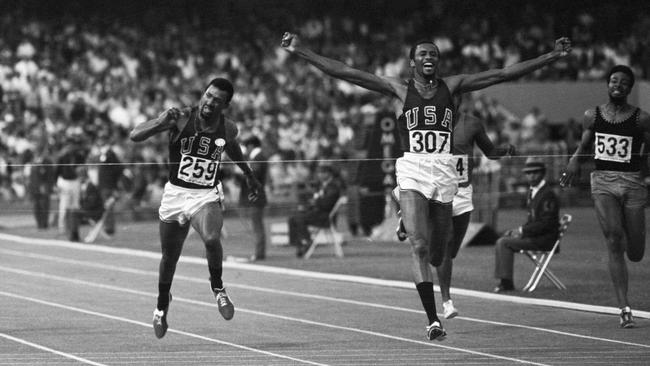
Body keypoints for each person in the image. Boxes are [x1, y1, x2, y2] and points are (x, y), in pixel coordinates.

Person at [281, 31, 571, 340]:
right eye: (423, 54)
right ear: (412, 62)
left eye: (433, 54)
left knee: (437, 254)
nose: (429, 58)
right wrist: (303, 51)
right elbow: (347, 72)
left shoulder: (454, 86)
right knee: (418, 246)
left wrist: (550, 57)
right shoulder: (399, 89)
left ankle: (410, 220)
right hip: (414, 168)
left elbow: (500, 74)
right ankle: (433, 319)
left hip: (445, 173)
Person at [129, 77, 261, 339]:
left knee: (212, 237)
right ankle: (161, 307)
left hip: (205, 195)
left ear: (225, 105)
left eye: (217, 100)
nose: (210, 102)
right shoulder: (179, 118)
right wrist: (159, 121)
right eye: (208, 95)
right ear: (203, 94)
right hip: (176, 194)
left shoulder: (227, 127)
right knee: (169, 258)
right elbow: (135, 135)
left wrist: (249, 174)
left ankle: (219, 289)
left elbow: (232, 148)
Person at [396, 109, 515, 318]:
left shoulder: (472, 124)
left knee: (446, 253)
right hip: (437, 187)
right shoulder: (428, 120)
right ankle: (446, 300)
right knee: (445, 242)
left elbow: (490, 152)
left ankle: (406, 219)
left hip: (462, 192)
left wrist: (503, 150)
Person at [560, 65, 650, 328]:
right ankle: (624, 307)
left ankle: (628, 247)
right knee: (613, 238)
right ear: (607, 84)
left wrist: (644, 169)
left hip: (632, 183)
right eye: (613, 80)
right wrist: (575, 161)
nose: (617, 85)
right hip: (603, 182)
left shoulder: (641, 119)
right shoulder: (593, 115)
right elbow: (585, 142)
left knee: (635, 253)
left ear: (630, 88)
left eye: (623, 82)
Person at [494, 158, 559, 292]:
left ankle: (506, 283)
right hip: (535, 236)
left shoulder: (548, 194)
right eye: (528, 173)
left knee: (503, 243)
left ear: (542, 173)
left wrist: (522, 231)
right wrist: (518, 231)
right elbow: (534, 221)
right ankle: (505, 281)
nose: (531, 176)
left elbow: (546, 223)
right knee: (503, 240)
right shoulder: (533, 192)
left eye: (535, 173)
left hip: (544, 239)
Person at [288, 162, 342, 258]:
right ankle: (300, 244)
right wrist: (308, 206)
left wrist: (315, 202)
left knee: (299, 218)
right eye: (319, 172)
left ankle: (306, 242)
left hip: (326, 216)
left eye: (322, 172)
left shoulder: (333, 186)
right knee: (292, 218)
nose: (320, 175)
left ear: (329, 173)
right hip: (317, 213)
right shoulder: (321, 185)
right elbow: (317, 200)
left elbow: (326, 204)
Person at [237, 134, 269, 261]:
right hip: (255, 195)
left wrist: (238, 174)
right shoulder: (256, 156)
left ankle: (259, 253)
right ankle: (259, 252)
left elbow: (254, 174)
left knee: (257, 226)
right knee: (256, 225)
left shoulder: (258, 157)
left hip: (256, 196)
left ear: (251, 145)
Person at [55, 134, 88, 239]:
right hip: (65, 182)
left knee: (75, 206)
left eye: (73, 144)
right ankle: (62, 228)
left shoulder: (79, 156)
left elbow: (83, 170)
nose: (71, 146)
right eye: (69, 144)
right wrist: (56, 185)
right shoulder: (62, 156)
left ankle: (74, 228)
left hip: (75, 181)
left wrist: (83, 181)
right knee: (64, 206)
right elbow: (57, 171)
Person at [27, 146, 57, 230]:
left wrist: (47, 186)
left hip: (44, 187)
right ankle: (39, 224)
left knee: (44, 206)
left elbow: (50, 176)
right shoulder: (33, 162)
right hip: (34, 188)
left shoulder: (48, 162)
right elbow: (31, 177)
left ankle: (44, 224)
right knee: (36, 207)